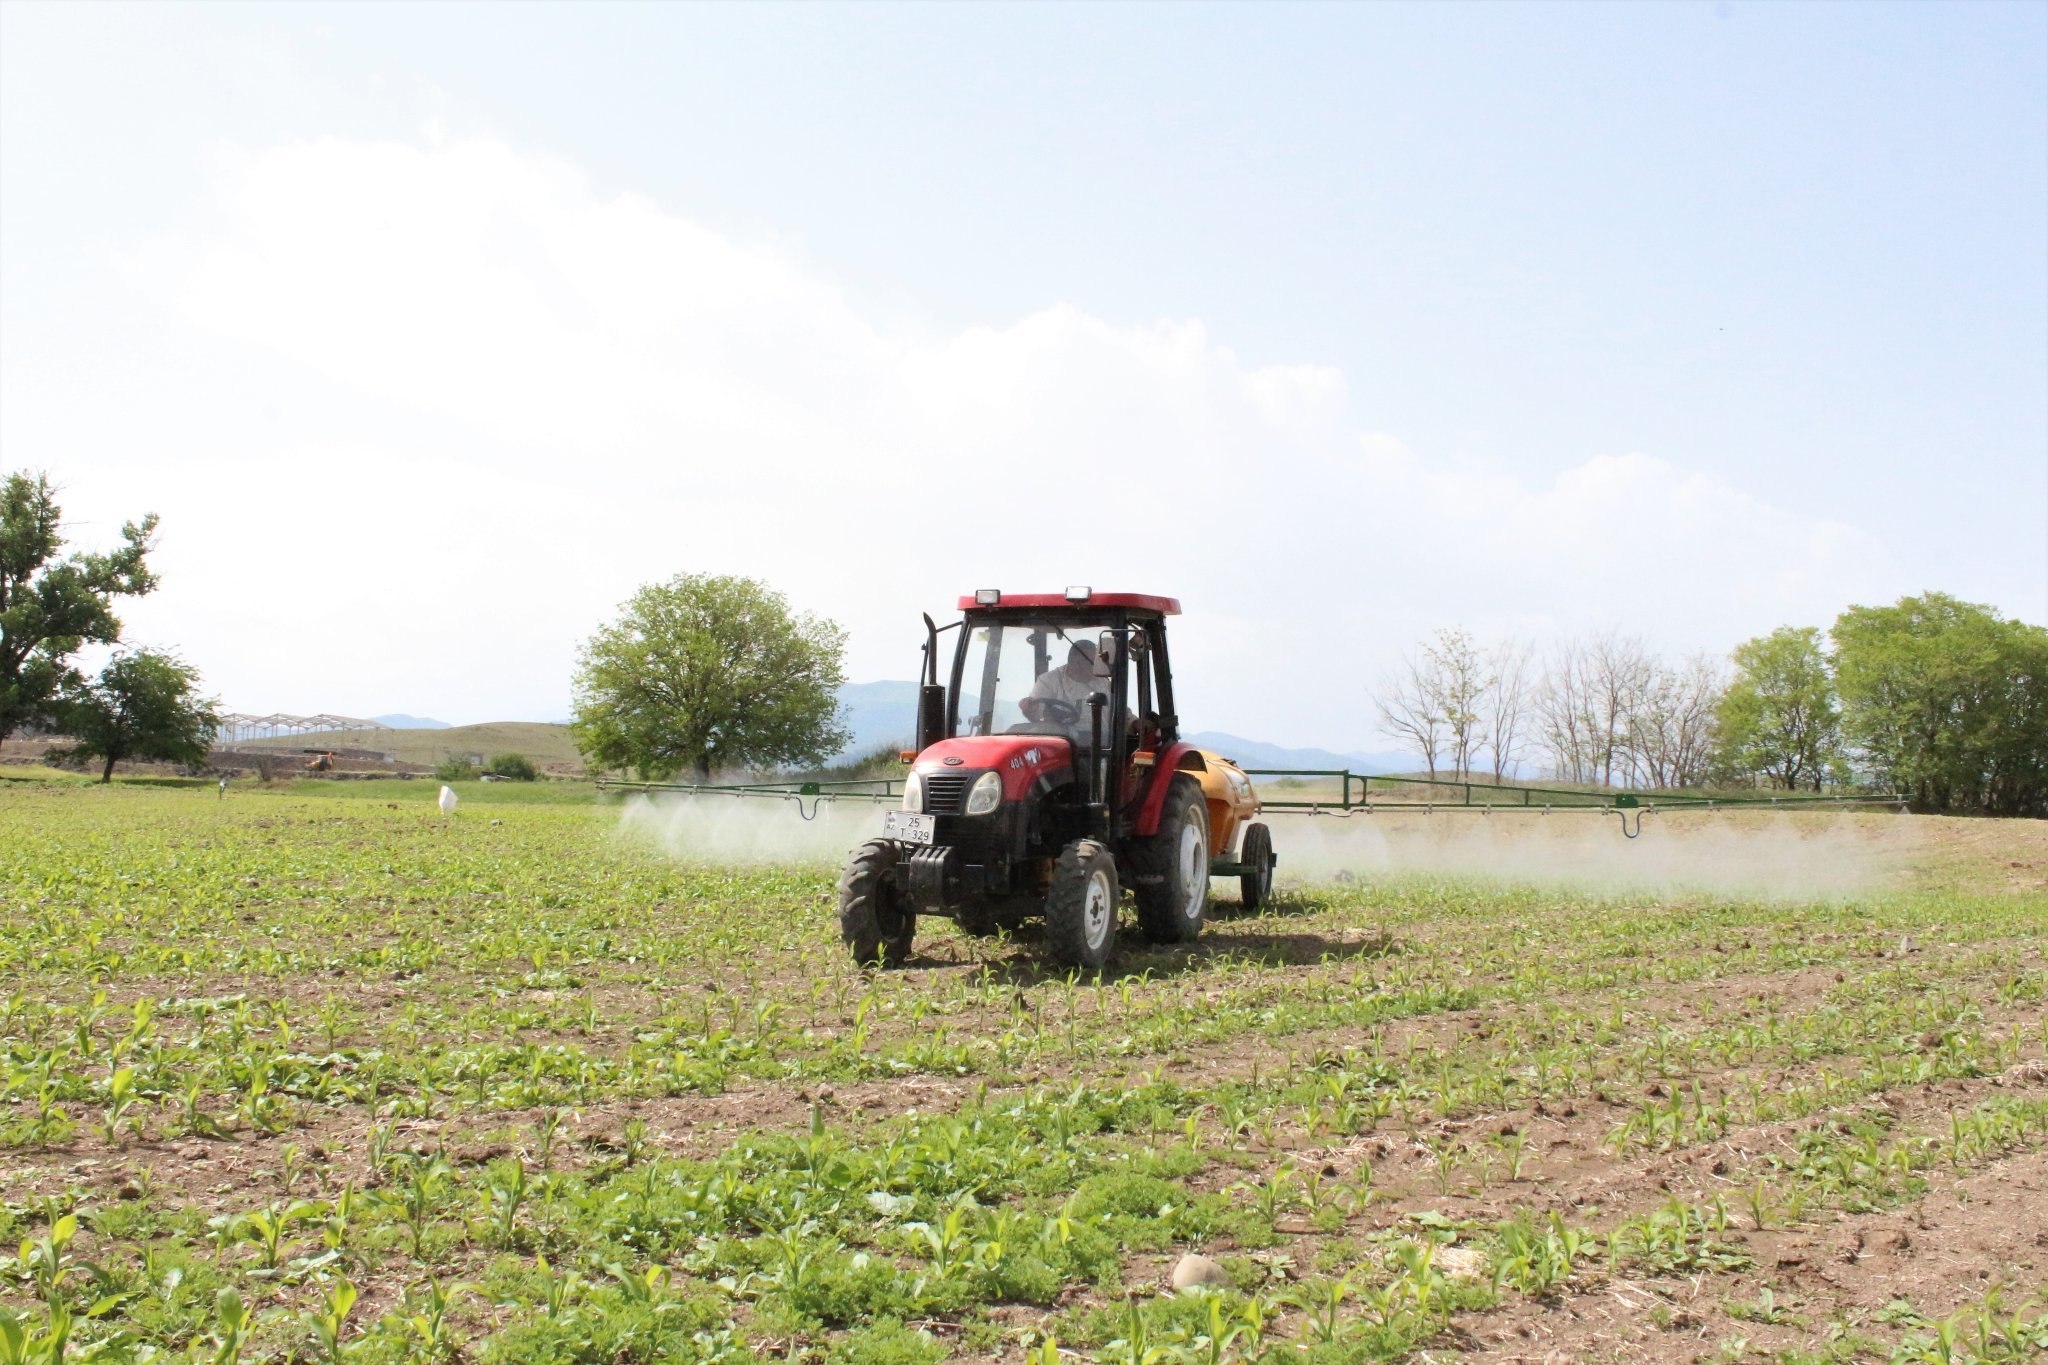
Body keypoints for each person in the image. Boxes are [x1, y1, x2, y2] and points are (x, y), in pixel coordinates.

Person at [1019, 640, 1130, 743]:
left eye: (1093, 662)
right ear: (1074, 662)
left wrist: (1134, 722)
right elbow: (1037, 710)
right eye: (1082, 662)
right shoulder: (1049, 681)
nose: (1091, 666)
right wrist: (1030, 708)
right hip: (1062, 742)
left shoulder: (1103, 683)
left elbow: (1120, 711)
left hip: (1100, 744)